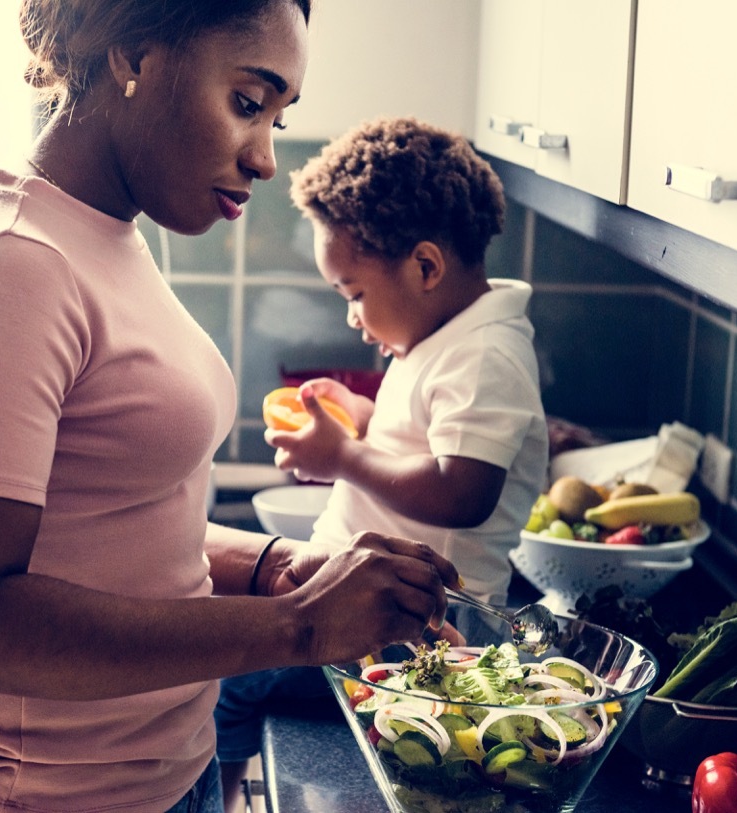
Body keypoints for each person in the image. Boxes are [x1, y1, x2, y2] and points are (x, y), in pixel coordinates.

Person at [0, 5, 463, 813]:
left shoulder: (105, 233)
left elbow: (108, 519)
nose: (266, 159)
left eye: (278, 119)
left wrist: (267, 566)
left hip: (159, 780)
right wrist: (300, 625)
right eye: (249, 103)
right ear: (135, 52)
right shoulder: (9, 264)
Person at [215, 116, 550, 809]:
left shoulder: (485, 355)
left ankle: (216, 797)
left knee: (229, 670)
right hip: (371, 603)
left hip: (418, 631)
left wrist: (345, 456)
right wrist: (360, 422)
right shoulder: (442, 337)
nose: (352, 318)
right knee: (217, 632)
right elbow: (421, 443)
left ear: (426, 266)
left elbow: (462, 490)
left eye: (354, 294)